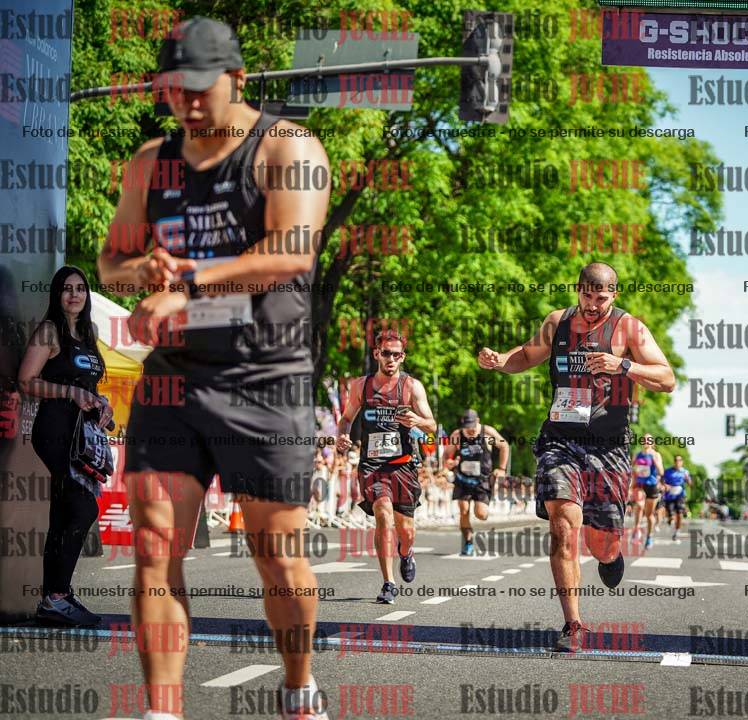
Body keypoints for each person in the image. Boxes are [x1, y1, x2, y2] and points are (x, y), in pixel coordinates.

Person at [95, 16, 331, 720]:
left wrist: (190, 283)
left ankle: (298, 686)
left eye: (200, 87)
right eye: (174, 88)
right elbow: (111, 261)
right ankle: (162, 711)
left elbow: (291, 250)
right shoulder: (150, 162)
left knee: (275, 553)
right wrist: (144, 269)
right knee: (154, 543)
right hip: (176, 374)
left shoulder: (288, 147)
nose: (187, 102)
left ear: (238, 78)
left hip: (266, 375)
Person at [477, 262, 675, 652]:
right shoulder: (558, 322)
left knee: (602, 543)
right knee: (563, 523)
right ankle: (573, 624)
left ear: (614, 294)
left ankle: (610, 556)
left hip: (608, 446)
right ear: (578, 290)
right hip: (560, 439)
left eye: (601, 298)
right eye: (587, 295)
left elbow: (666, 379)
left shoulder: (628, 328)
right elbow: (526, 355)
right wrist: (500, 360)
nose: (593, 305)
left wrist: (623, 365)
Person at [18, 266, 114, 627]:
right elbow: (26, 381)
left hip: (81, 435)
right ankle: (56, 596)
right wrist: (69, 392)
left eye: (81, 289)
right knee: (83, 506)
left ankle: (54, 598)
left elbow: (88, 385)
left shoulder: (87, 334)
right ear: (57, 294)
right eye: (67, 289)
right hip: (55, 429)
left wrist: (101, 402)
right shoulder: (49, 331)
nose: (75, 295)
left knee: (62, 513)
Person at [335, 330, 437, 604]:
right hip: (373, 464)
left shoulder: (412, 387)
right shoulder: (361, 386)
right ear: (376, 354)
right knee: (382, 512)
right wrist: (342, 435)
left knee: (406, 531)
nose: (391, 359)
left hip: (403, 466)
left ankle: (406, 551)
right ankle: (388, 583)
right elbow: (346, 419)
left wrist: (417, 421)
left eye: (396, 354)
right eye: (386, 353)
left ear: (403, 357)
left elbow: (432, 425)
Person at [443, 409, 510, 555]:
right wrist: (448, 463)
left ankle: (484, 505)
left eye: (473, 427)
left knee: (481, 515)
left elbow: (504, 446)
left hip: (482, 480)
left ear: (478, 421)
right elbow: (447, 454)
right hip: (463, 479)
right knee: (463, 510)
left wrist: (501, 468)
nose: (471, 430)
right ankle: (468, 542)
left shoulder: (487, 433)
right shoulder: (457, 435)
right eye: (468, 427)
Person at [630, 434, 663, 547]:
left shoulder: (656, 455)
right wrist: (632, 481)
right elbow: (631, 469)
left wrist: (655, 461)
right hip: (640, 484)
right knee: (639, 505)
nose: (646, 441)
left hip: (652, 485)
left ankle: (649, 537)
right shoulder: (637, 454)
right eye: (644, 439)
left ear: (652, 443)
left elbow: (661, 472)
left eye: (649, 440)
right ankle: (636, 530)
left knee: (649, 515)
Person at [662, 455, 692, 543]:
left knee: (679, 513)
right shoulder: (668, 471)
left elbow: (690, 484)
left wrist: (688, 479)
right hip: (669, 495)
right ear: (674, 462)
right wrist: (665, 485)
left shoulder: (685, 472)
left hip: (680, 495)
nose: (677, 462)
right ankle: (670, 519)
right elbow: (662, 481)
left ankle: (676, 531)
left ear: (682, 462)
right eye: (676, 460)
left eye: (679, 460)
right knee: (671, 515)